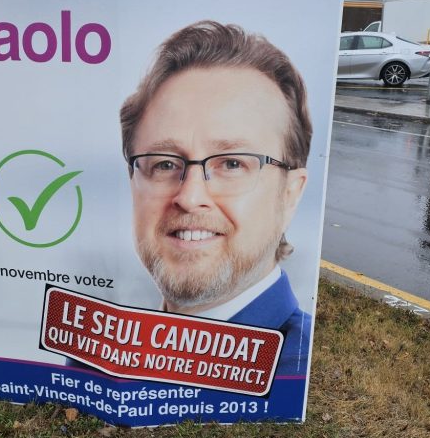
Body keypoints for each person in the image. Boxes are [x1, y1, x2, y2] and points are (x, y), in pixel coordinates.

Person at [120, 21, 313, 377]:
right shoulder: (97, 361)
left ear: (290, 195)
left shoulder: (289, 374)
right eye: (164, 163)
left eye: (232, 163)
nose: (190, 197)